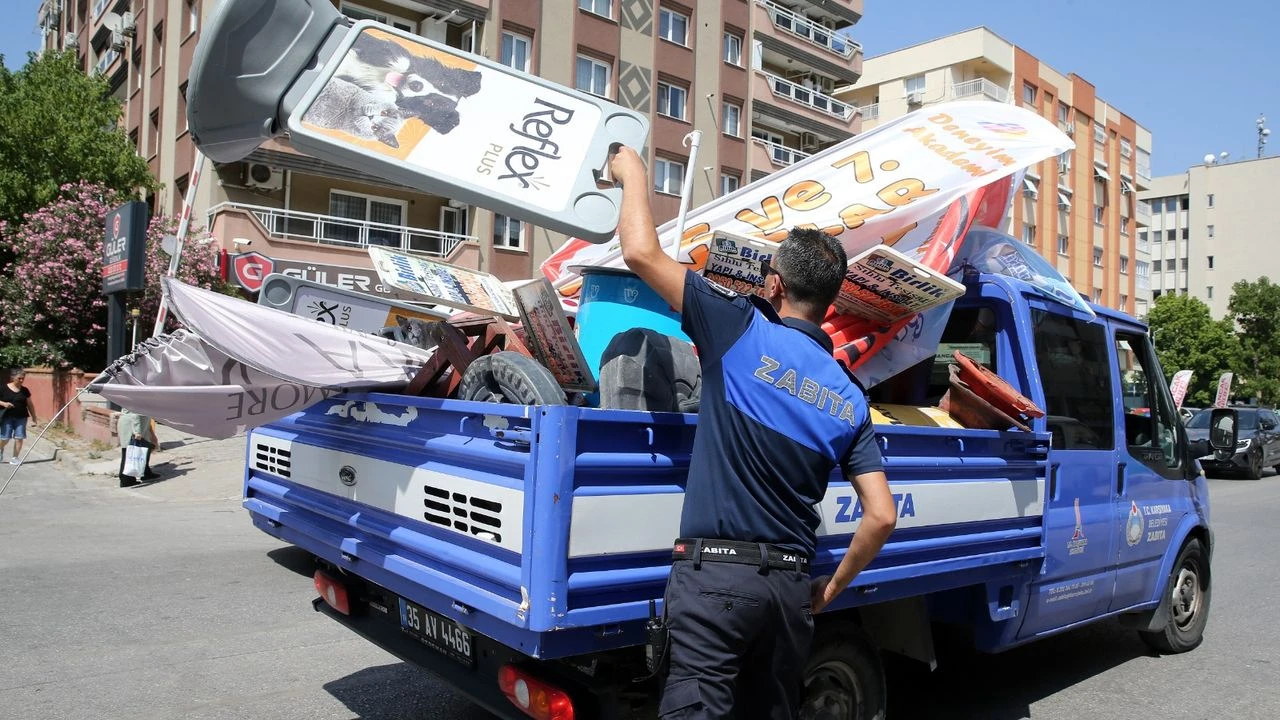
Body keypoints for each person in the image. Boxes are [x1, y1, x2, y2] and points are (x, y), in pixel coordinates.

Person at [608, 146, 898, 719]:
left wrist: (634, 171)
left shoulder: (738, 329)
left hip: (713, 580)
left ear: (773, 286)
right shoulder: (849, 399)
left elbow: (640, 252)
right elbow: (882, 515)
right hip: (789, 593)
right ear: (832, 299)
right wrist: (832, 588)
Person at [0, 369, 39, 466]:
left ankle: (15, 458)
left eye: (23, 378)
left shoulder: (25, 390)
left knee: (19, 437)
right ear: (13, 377)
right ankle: (1, 449)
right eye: (19, 378)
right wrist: (4, 403)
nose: (21, 380)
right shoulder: (3, 388)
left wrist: (34, 416)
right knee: (5, 438)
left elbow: (30, 404)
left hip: (21, 417)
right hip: (7, 417)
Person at [117, 408, 160, 487]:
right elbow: (135, 411)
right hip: (134, 424)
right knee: (130, 451)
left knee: (143, 448)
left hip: (134, 422)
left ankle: (145, 472)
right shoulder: (136, 396)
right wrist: (137, 431)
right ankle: (126, 479)